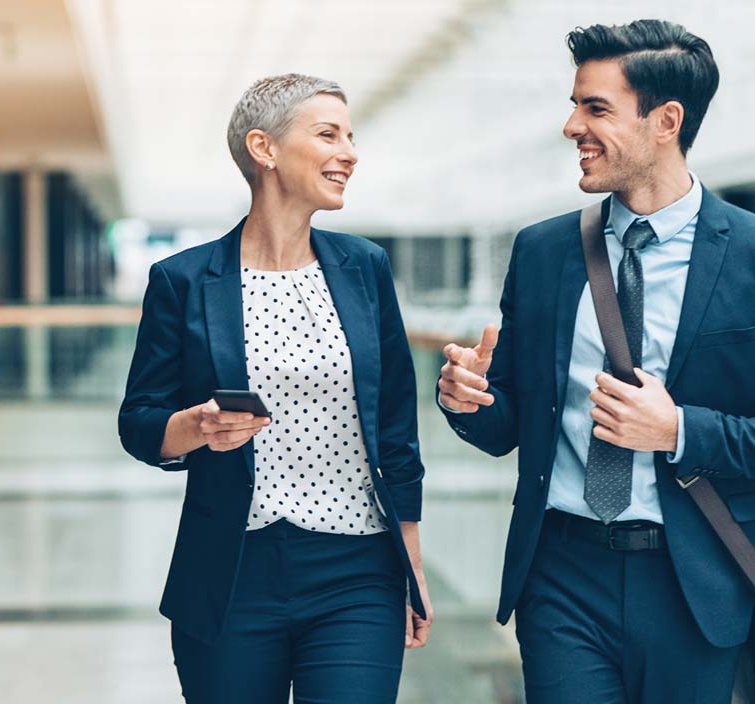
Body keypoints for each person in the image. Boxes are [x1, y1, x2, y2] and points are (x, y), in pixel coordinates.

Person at [438, 19, 754, 703]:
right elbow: (510, 424)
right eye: (575, 103)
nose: (570, 125)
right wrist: (466, 400)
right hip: (562, 577)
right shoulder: (543, 251)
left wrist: (677, 431)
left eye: (596, 108)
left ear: (665, 121)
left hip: (693, 579)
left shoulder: (751, 257)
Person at [119, 73, 431, 704]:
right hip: (232, 571)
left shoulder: (365, 268)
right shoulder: (182, 281)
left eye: (351, 135)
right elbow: (140, 420)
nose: (350, 152)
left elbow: (396, 428)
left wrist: (412, 569)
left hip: (358, 570)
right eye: (328, 134)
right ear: (264, 149)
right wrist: (196, 427)